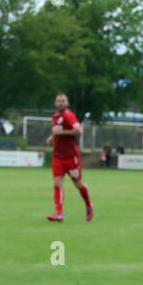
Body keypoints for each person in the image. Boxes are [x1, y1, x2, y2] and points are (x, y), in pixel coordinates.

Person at [44, 93, 93, 222]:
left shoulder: (69, 115)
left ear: (67, 103)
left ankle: (88, 205)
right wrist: (52, 138)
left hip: (71, 157)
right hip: (58, 156)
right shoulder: (55, 117)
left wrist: (61, 133)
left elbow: (78, 131)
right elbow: (57, 132)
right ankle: (59, 213)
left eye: (63, 101)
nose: (60, 103)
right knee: (57, 183)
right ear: (55, 103)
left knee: (78, 184)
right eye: (58, 101)